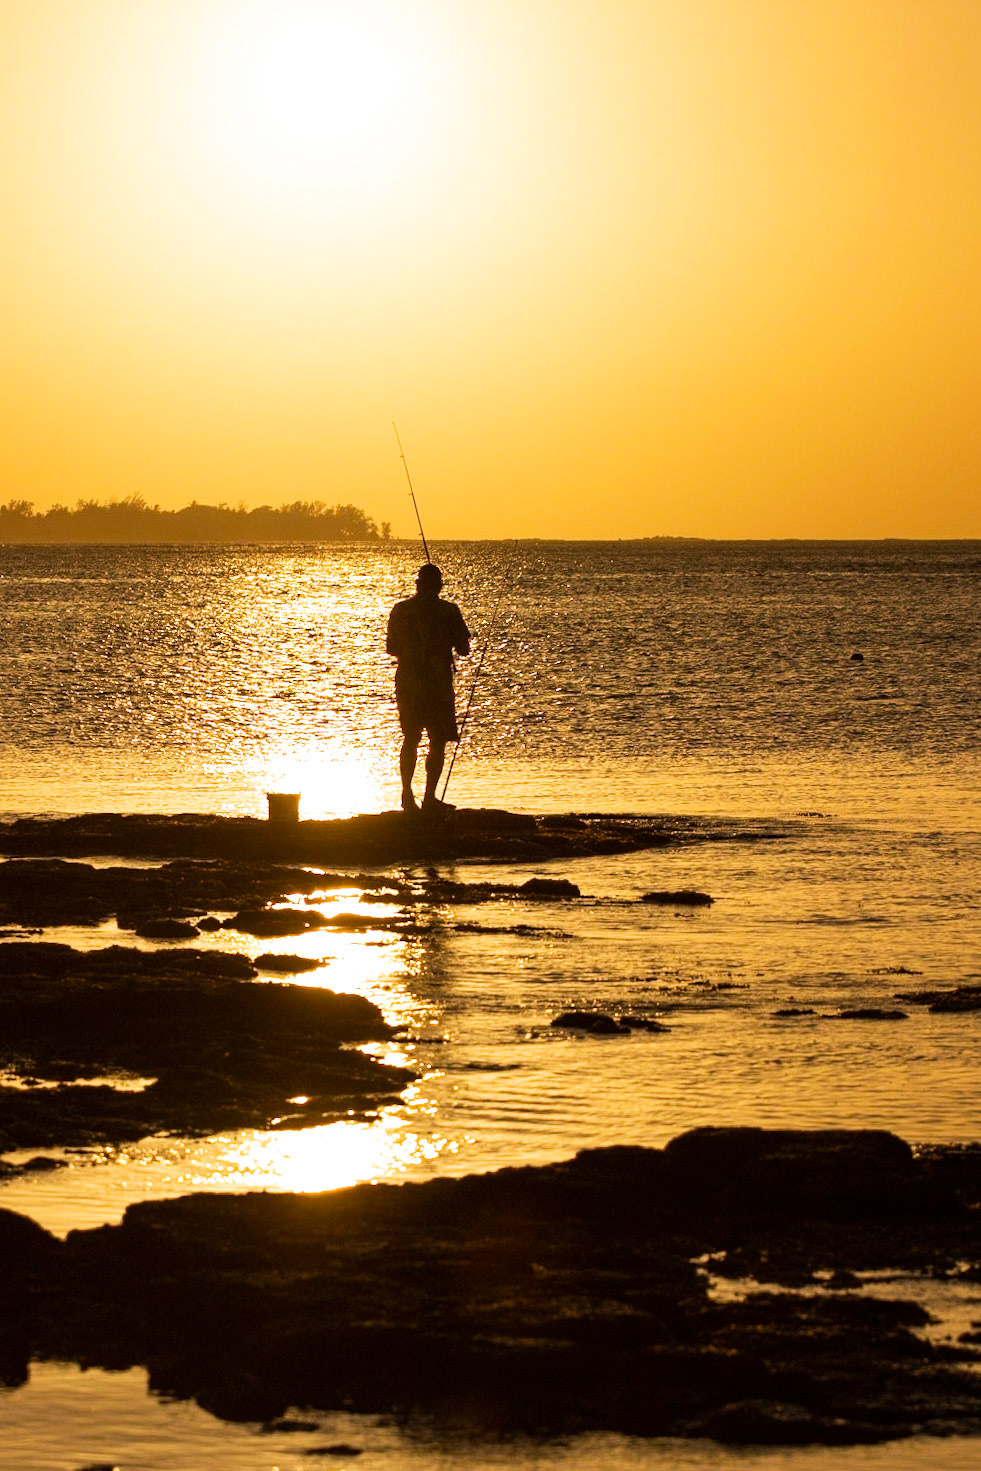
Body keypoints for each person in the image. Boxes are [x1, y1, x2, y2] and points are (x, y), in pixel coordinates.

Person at [386, 564, 470, 815]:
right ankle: (430, 798)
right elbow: (464, 649)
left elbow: (391, 647)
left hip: (408, 681)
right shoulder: (448, 611)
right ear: (439, 585)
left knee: (410, 739)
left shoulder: (400, 610)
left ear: (417, 584)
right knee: (438, 740)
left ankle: (406, 796)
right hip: (437, 683)